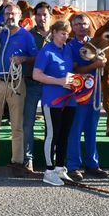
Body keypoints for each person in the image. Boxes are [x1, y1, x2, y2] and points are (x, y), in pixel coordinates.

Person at [0, 3, 38, 175]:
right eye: (7, 14)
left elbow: (35, 57)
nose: (9, 17)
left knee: (17, 125)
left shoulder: (26, 36)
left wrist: (23, 59)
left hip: (16, 83)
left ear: (20, 16)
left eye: (13, 14)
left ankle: (17, 162)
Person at [65, 13, 109, 182]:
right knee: (75, 131)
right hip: (77, 95)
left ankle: (92, 164)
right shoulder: (69, 46)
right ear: (72, 27)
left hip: (95, 94)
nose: (81, 27)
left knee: (91, 131)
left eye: (84, 24)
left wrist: (103, 61)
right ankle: (74, 166)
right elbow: (74, 70)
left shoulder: (96, 43)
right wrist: (95, 65)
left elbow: (106, 62)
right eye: (77, 24)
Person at [32, 20, 76, 186]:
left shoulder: (68, 49)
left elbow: (71, 72)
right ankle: (49, 171)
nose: (65, 36)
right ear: (54, 32)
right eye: (62, 33)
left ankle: (59, 167)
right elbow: (37, 75)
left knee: (65, 134)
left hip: (70, 99)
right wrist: (59, 81)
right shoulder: (46, 51)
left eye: (67, 33)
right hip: (52, 100)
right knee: (52, 134)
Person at [22, 1, 52, 172]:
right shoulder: (28, 35)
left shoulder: (57, 35)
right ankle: (28, 160)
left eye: (45, 15)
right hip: (31, 84)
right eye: (39, 15)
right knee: (28, 123)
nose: (41, 18)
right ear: (34, 16)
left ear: (50, 16)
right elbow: (23, 56)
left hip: (51, 86)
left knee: (51, 124)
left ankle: (50, 160)